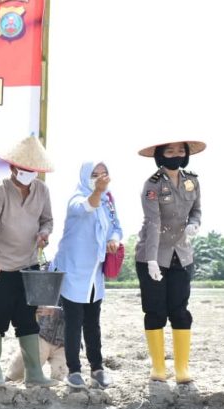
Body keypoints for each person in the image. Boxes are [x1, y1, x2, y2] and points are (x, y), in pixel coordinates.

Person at [0, 135, 57, 389]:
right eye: (23, 169)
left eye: (32, 170)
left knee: (27, 319)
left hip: (28, 265)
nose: (27, 174)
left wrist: (44, 233)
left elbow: (48, 221)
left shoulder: (42, 191)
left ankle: (33, 372)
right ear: (12, 167)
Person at [135, 139, 204, 384]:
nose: (176, 154)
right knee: (155, 311)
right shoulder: (152, 185)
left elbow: (196, 210)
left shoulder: (192, 180)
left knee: (180, 310)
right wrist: (152, 260)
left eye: (180, 150)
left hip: (182, 255)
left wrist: (195, 223)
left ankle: (182, 369)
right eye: (170, 151)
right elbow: (153, 223)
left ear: (186, 154)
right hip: (153, 255)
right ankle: (158, 368)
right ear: (160, 156)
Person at [50, 161, 123, 389]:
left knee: (93, 322)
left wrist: (114, 240)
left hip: (94, 274)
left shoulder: (108, 201)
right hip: (73, 271)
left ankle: (97, 369)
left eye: (104, 173)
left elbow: (116, 227)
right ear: (85, 177)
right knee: (74, 322)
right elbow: (86, 207)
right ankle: (74, 371)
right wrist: (98, 190)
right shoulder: (77, 198)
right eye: (94, 175)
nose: (100, 178)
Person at [5, 306, 66, 382]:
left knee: (60, 378)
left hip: (64, 344)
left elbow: (79, 312)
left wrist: (55, 311)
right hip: (41, 335)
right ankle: (7, 381)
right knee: (17, 372)